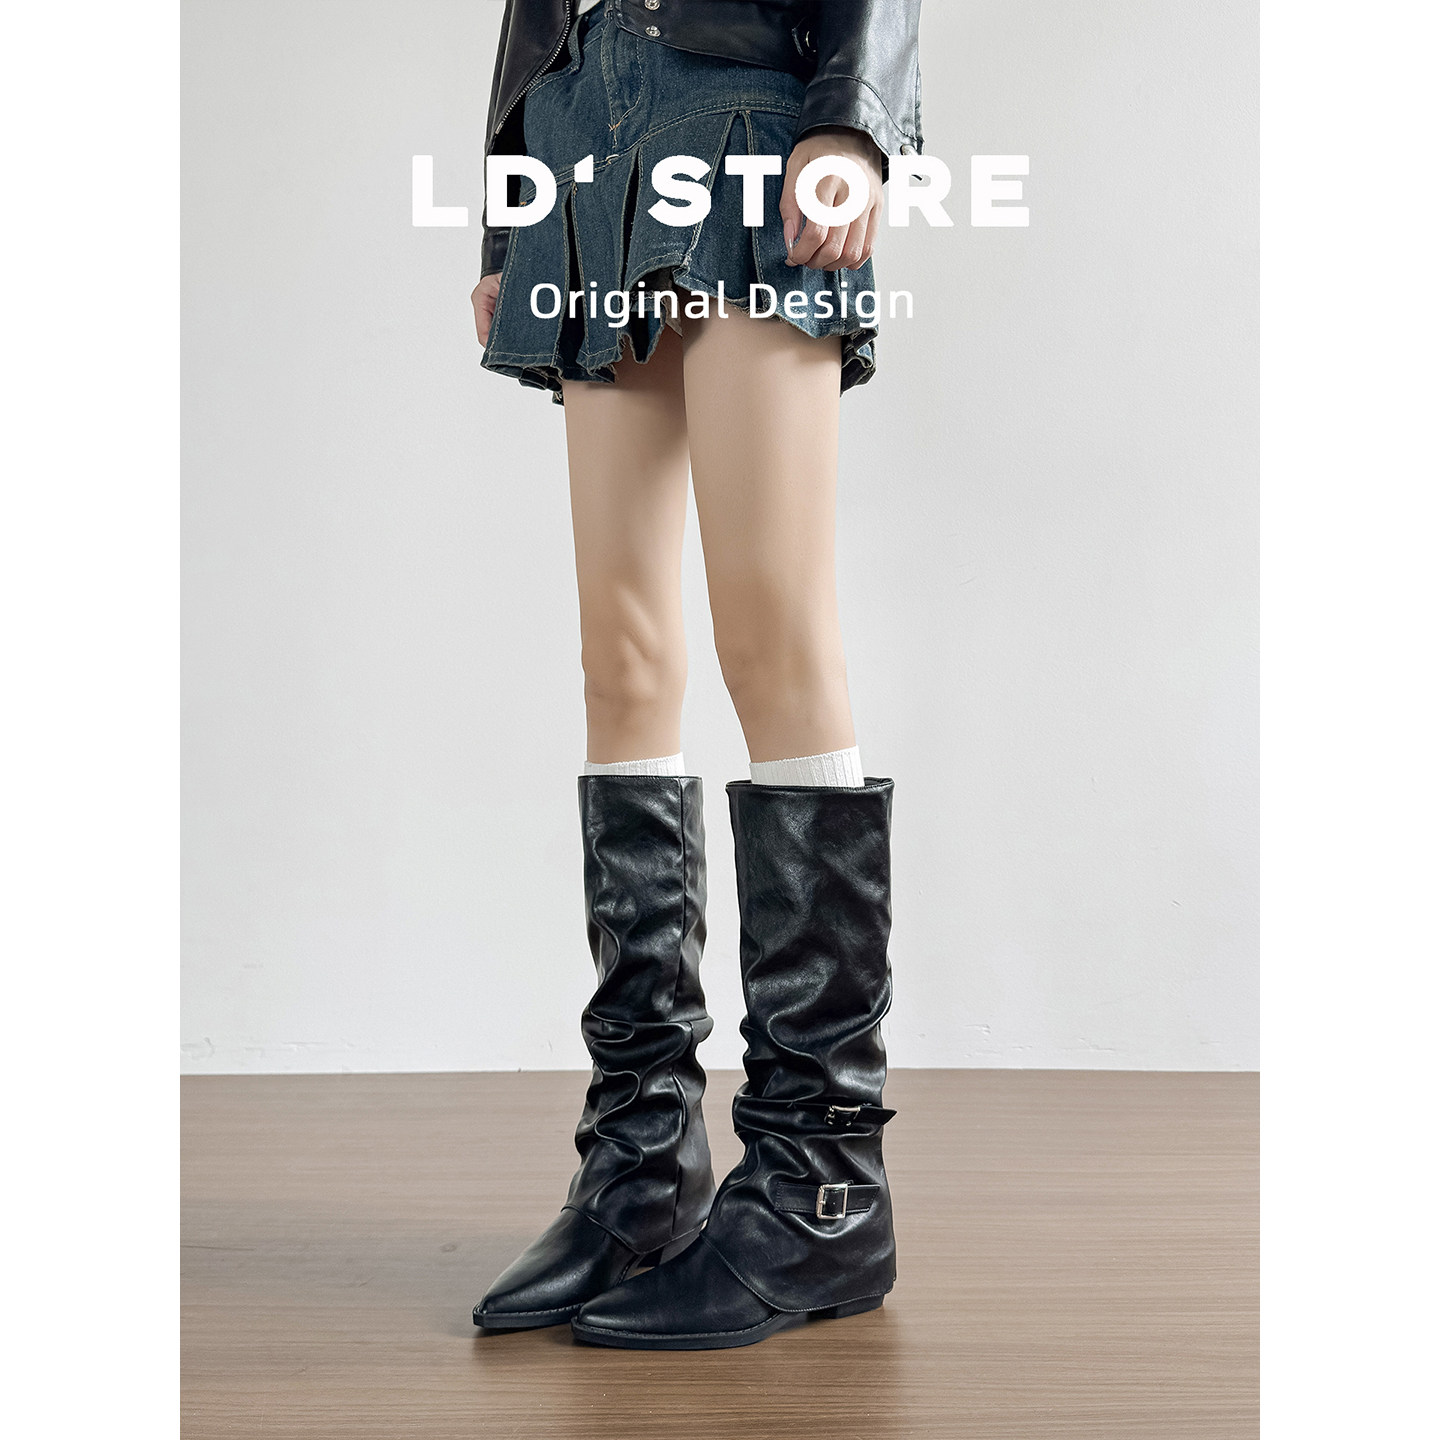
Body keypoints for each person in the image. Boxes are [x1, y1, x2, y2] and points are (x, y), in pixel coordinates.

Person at [469, 0, 922, 1351]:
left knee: (769, 622)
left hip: (741, 123)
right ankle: (643, 1161)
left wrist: (852, 127)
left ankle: (820, 1190)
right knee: (620, 654)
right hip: (580, 147)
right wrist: (502, 222)